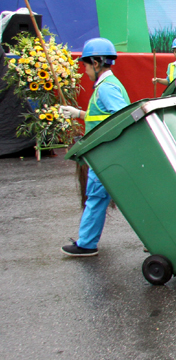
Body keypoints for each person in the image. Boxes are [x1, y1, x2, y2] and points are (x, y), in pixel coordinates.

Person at [59, 38, 131, 256]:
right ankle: (87, 241)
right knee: (103, 198)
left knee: (96, 197)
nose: (86, 70)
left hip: (106, 155)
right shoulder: (108, 85)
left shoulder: (106, 89)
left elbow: (122, 119)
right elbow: (103, 118)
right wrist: (79, 114)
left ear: (97, 63)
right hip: (108, 154)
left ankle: (87, 243)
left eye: (86, 65)